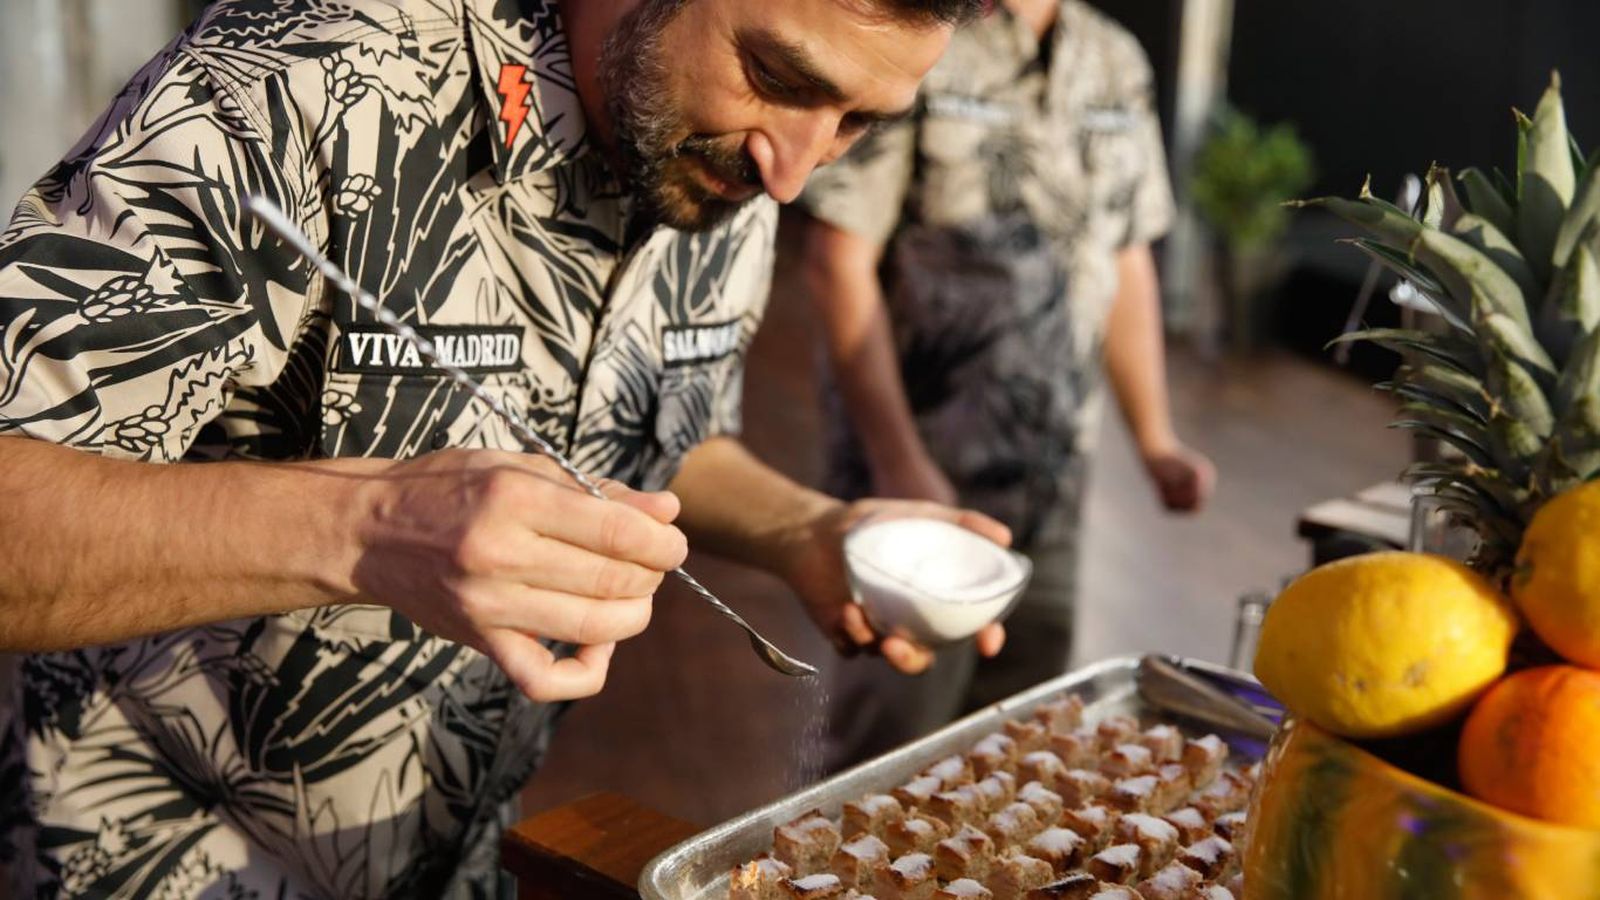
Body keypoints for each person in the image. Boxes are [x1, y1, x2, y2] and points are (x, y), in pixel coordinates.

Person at [0, 0, 1005, 895]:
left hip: (461, 852)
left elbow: (634, 434)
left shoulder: (725, 155)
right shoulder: (298, 78)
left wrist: (807, 529)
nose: (793, 174)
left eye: (860, 121)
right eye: (780, 78)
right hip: (150, 853)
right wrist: (370, 526)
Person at [796, 0, 1218, 772]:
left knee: (1018, 753)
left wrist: (1155, 438)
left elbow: (1124, 259)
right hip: (916, 495)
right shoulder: (915, 32)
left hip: (1054, 490)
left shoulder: (1117, 59)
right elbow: (837, 261)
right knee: (883, 762)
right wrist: (899, 465)